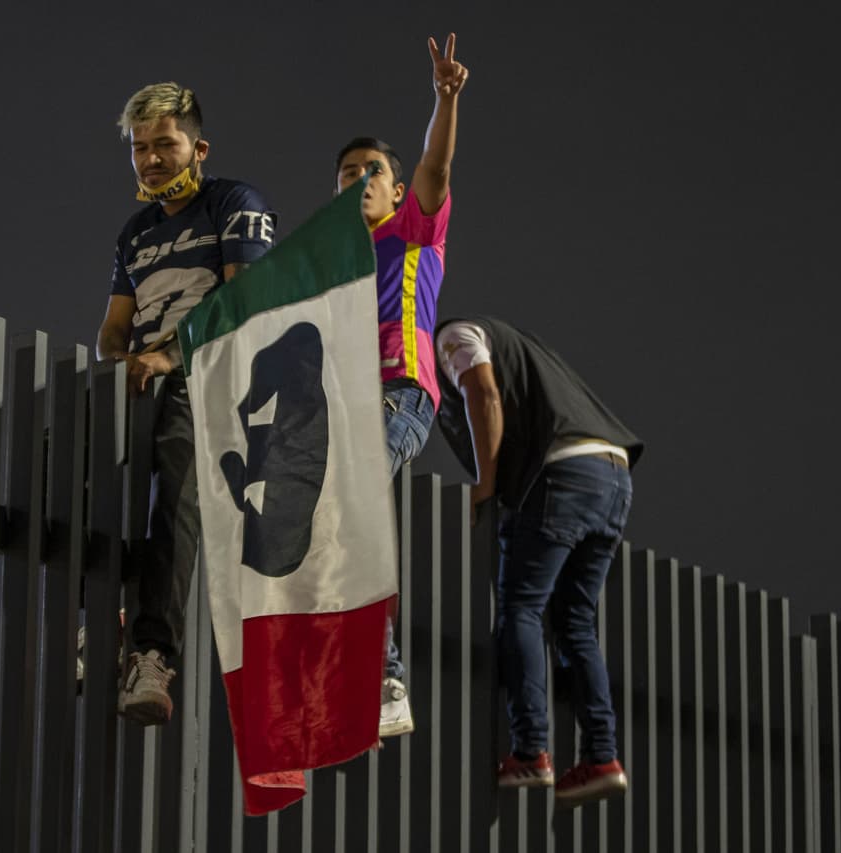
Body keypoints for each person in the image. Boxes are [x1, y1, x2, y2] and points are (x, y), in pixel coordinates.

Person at [96, 82, 276, 725]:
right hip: (139, 379)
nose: (150, 159)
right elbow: (113, 329)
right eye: (139, 147)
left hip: (209, 378)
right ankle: (98, 618)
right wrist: (120, 364)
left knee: (174, 498)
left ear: (199, 148)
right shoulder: (134, 233)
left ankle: (152, 656)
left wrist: (169, 356)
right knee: (66, 468)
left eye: (165, 145)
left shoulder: (234, 202)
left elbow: (241, 299)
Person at [432, 315, 643, 808]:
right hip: (614, 476)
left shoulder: (454, 335)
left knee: (521, 609)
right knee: (575, 623)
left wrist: (484, 489)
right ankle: (602, 758)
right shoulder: (525, 347)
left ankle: (530, 751)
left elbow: (484, 395)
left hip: (564, 472)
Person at [333, 32, 468, 739]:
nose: (360, 179)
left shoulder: (413, 230)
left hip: (399, 393)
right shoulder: (331, 266)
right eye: (347, 173)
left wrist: (444, 100)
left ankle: (386, 678)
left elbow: (435, 166)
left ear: (393, 187)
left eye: (373, 171)